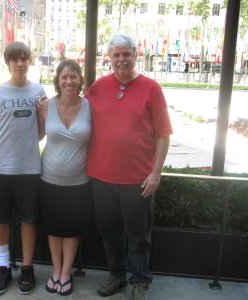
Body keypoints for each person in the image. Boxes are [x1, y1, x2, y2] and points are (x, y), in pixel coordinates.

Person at [84, 34, 173, 300]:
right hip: (101, 176)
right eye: (116, 55)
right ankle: (117, 275)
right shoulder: (98, 86)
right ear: (109, 58)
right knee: (109, 231)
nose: (121, 59)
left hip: (138, 179)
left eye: (127, 54)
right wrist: (46, 108)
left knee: (138, 234)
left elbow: (163, 135)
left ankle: (141, 280)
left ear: (136, 56)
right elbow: (74, 110)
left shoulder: (151, 88)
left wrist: (156, 172)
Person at [0, 41, 46, 295]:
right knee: (1, 220)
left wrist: (41, 118)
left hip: (30, 168)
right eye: (14, 60)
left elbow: (40, 134)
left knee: (29, 220)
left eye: (24, 59)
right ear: (8, 64)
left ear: (29, 62)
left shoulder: (38, 92)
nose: (20, 64)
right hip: (0, 169)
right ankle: (2, 266)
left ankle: (27, 268)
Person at [37, 59, 93, 296]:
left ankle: (66, 273)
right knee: (53, 228)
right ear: (58, 81)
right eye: (64, 77)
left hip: (79, 182)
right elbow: (37, 134)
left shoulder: (90, 106)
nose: (69, 81)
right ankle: (56, 270)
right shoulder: (46, 106)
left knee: (71, 229)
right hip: (48, 178)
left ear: (80, 80)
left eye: (73, 77)